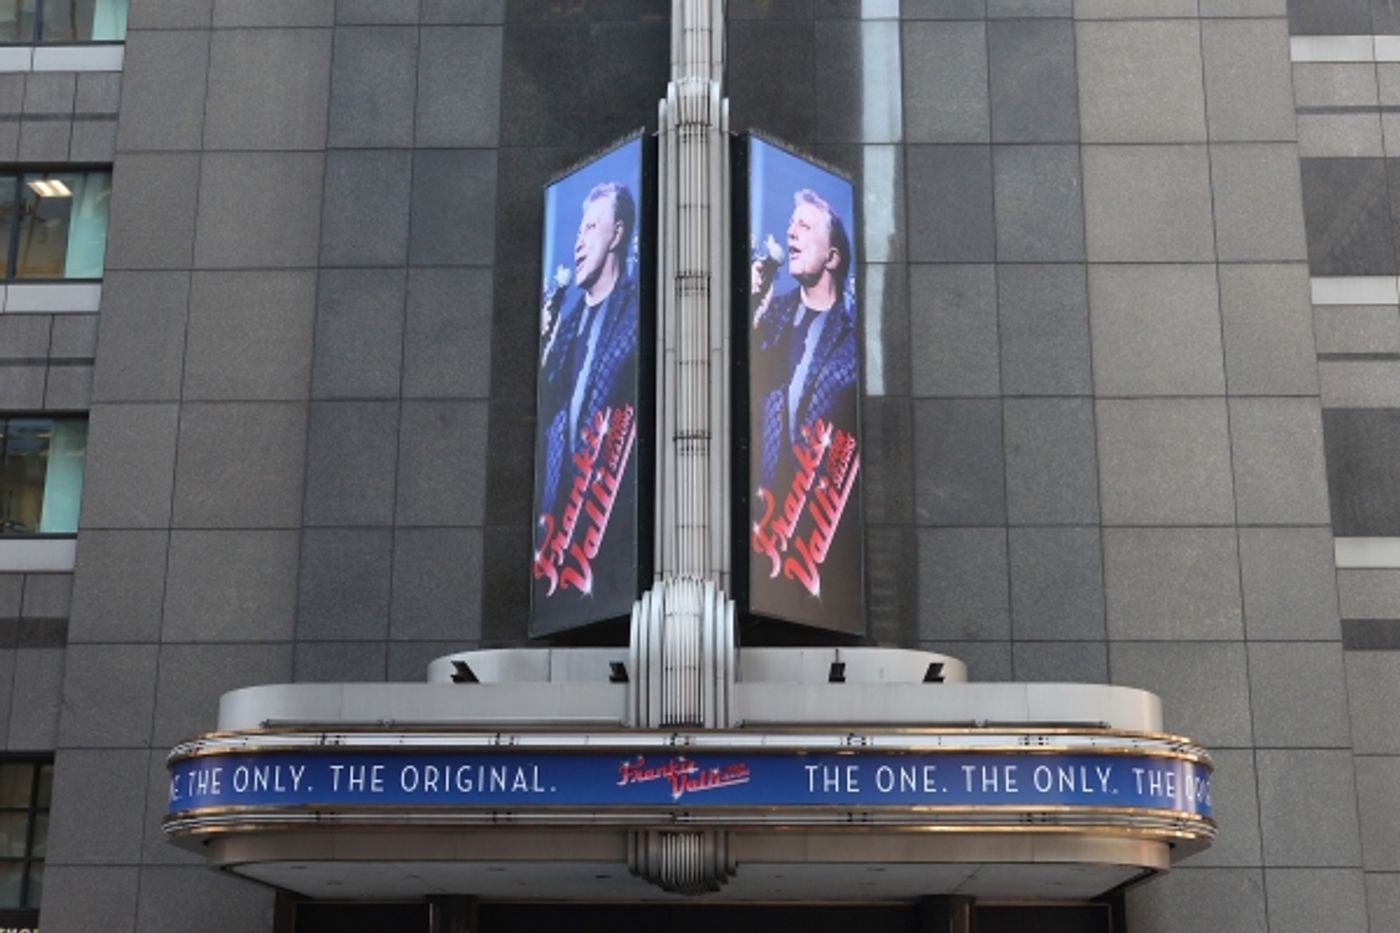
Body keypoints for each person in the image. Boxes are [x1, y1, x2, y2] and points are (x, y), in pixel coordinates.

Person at [534, 180, 640, 597]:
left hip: (610, 529)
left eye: (591, 228)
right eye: (578, 230)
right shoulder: (567, 325)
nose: (578, 241)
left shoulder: (639, 312)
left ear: (616, 234)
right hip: (555, 532)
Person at [750, 189, 858, 502]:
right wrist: (752, 317)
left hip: (823, 518)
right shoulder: (771, 317)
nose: (790, 232)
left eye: (805, 227)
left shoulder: (855, 334)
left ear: (832, 257)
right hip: (763, 514)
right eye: (791, 224)